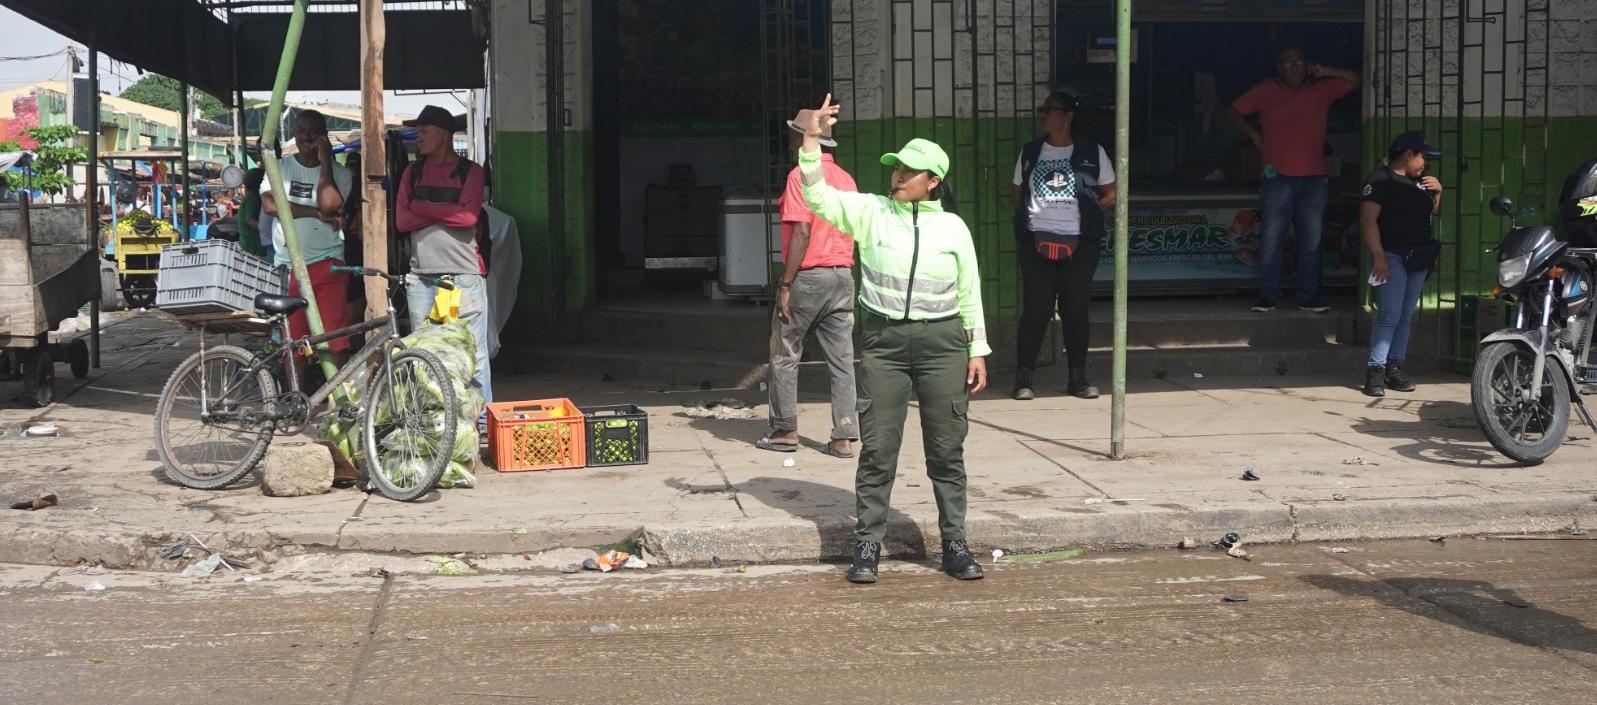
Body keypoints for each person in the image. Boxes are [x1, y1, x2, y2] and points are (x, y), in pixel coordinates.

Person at [794, 95, 990, 584]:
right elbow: (817, 197)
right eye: (897, 168)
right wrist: (812, 140)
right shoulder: (871, 212)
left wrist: (977, 349)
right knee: (879, 449)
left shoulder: (953, 228)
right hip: (884, 344)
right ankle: (867, 546)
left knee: (946, 451)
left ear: (933, 181)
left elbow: (969, 292)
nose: (898, 176)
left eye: (909, 171)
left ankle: (955, 544)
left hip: (944, 344)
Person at [1225, 45, 1359, 314]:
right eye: (1287, 63)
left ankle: (1309, 297)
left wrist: (1326, 70)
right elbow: (1231, 111)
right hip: (1277, 178)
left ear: (1307, 64)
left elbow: (1356, 79)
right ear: (1279, 68)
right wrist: (1254, 135)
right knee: (1271, 239)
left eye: (1298, 62)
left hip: (1314, 179)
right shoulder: (1265, 90)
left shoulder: (1322, 89)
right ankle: (1268, 296)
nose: (1293, 67)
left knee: (1311, 242)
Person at [756, 114, 860, 459]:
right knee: (842, 361)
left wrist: (785, 284)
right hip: (842, 275)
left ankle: (785, 430)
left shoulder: (798, 175)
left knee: (784, 352)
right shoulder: (846, 179)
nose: (788, 141)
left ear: (803, 139)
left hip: (809, 275)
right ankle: (844, 436)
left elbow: (801, 231)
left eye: (792, 135)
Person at [1011, 91, 1115, 401]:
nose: (1045, 115)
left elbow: (1111, 194)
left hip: (1080, 242)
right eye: (1043, 110)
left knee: (1075, 309)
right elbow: (1017, 193)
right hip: (1037, 240)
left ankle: (1078, 378)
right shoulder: (1031, 151)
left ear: (1068, 116)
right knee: (1035, 310)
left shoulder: (1092, 151)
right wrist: (1038, 218)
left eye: (1051, 110)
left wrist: (1089, 211)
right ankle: (1024, 378)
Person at [395, 105, 492, 410]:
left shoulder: (470, 172)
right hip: (422, 278)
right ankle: (435, 423)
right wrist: (447, 212)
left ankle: (481, 423)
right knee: (425, 355)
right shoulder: (412, 172)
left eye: (424, 131)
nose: (418, 136)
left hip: (461, 277)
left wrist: (421, 207)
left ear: (446, 135)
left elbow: (467, 218)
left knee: (471, 355)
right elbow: (402, 222)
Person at [261, 109, 354, 361]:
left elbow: (329, 205)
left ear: (324, 136)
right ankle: (297, 388)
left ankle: (339, 387)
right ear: (294, 133)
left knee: (336, 340)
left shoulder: (341, 173)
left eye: (314, 132)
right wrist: (314, 213)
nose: (306, 137)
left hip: (328, 263)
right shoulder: (279, 167)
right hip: (288, 265)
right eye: (301, 131)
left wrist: (325, 163)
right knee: (294, 344)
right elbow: (270, 205)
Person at [1360, 132, 1443, 397]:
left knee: (1407, 314)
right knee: (1390, 314)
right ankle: (1375, 371)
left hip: (1418, 256)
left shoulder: (1420, 183)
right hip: (1391, 255)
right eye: (1423, 157)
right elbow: (1368, 220)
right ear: (1408, 154)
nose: (1425, 164)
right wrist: (1379, 257)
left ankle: (1394, 368)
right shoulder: (1380, 180)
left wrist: (1438, 193)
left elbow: (1430, 213)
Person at [236, 168, 266, 259]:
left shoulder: (253, 197)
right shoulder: (253, 198)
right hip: (253, 248)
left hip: (252, 245)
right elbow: (251, 222)